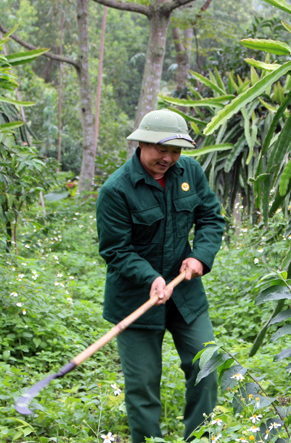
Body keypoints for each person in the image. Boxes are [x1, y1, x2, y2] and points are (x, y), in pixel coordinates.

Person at [96, 109, 225, 442]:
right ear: (140, 142)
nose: (168, 157)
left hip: (185, 296)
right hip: (136, 298)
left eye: (176, 150)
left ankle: (200, 438)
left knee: (206, 366)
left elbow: (211, 218)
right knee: (142, 386)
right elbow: (116, 251)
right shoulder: (116, 190)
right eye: (161, 148)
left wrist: (200, 256)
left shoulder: (191, 172)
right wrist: (150, 277)